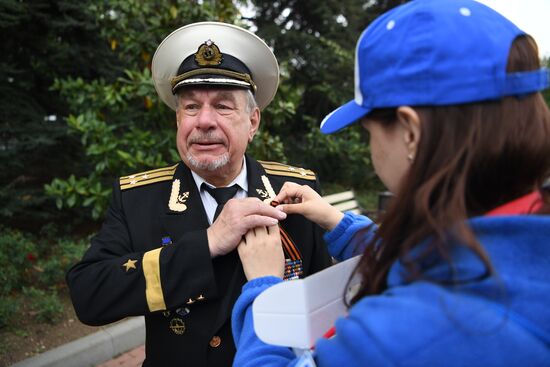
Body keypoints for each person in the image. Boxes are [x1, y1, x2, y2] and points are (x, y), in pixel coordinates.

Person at [231, 0, 550, 366]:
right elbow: (445, 253)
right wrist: (339, 223)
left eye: (369, 131)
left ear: (411, 132)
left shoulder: (409, 333)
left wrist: (263, 290)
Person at [66, 22, 332, 367]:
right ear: (178, 119)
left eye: (223, 106)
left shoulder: (295, 192)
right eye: (191, 107)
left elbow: (322, 312)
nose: (204, 121)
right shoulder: (137, 198)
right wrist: (207, 243)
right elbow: (89, 295)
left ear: (252, 122)